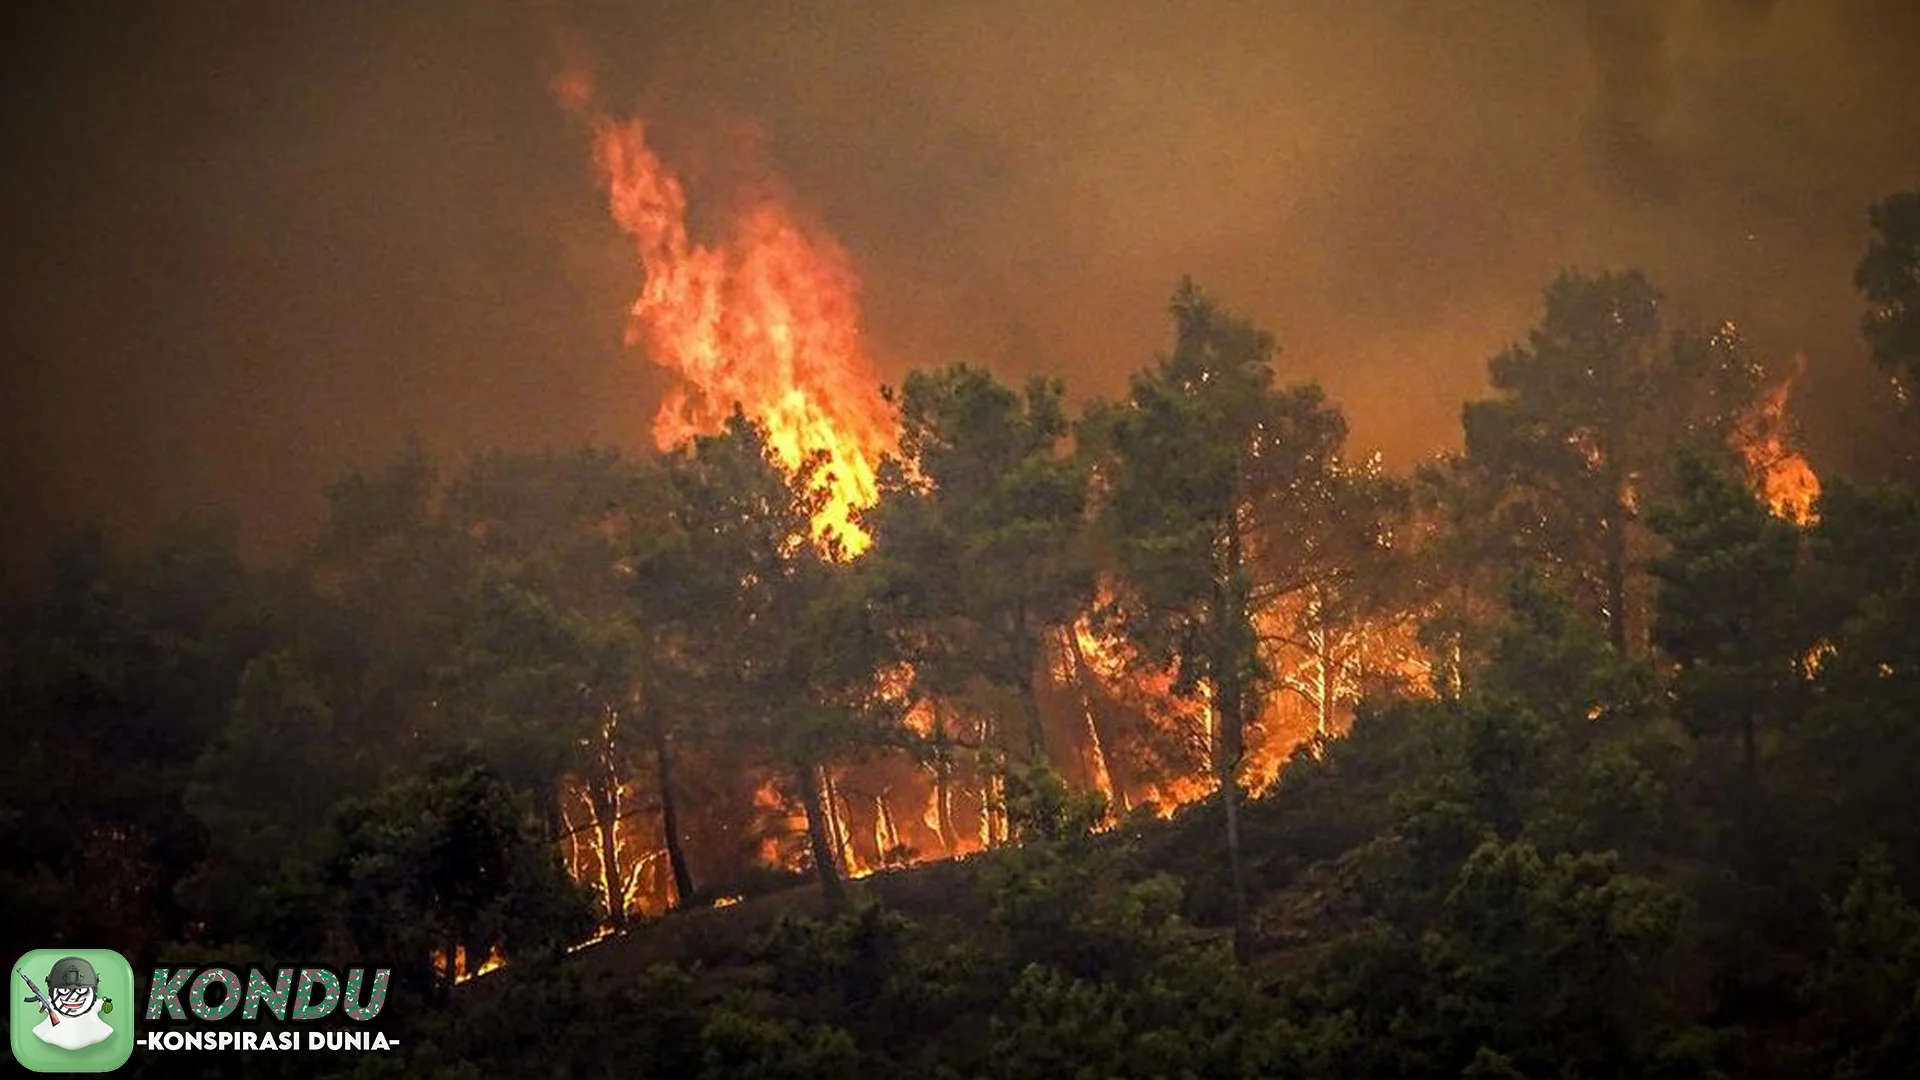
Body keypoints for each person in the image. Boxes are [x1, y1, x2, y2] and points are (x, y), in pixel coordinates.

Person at [27, 956, 115, 1051]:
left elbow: (104, 1006)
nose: (73, 997)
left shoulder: (101, 1030)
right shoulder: (45, 1031)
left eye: (81, 990)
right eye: (64, 990)